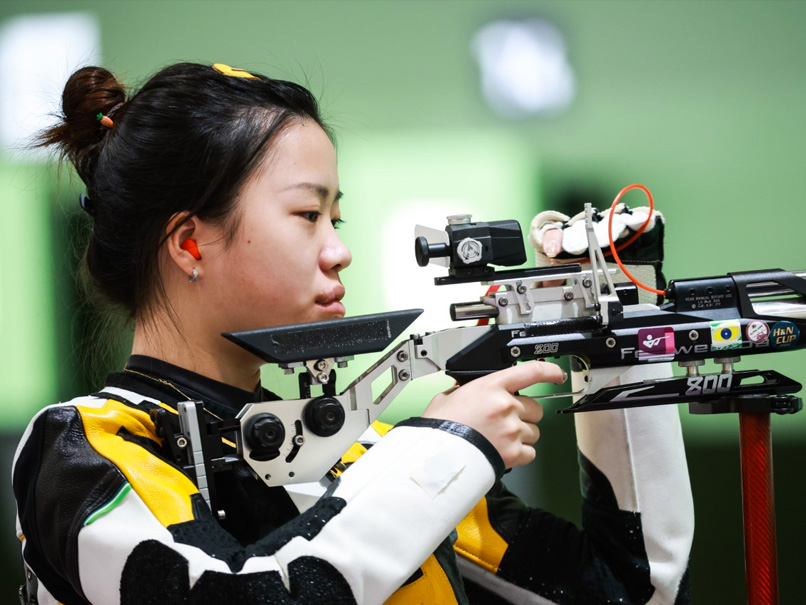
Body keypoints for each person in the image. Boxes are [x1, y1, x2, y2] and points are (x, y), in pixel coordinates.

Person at [12, 62, 693, 605]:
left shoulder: (363, 454)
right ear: (190, 242)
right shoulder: (82, 448)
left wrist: (621, 331)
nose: (339, 250)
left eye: (337, 218)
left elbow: (634, 589)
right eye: (308, 214)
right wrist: (447, 448)